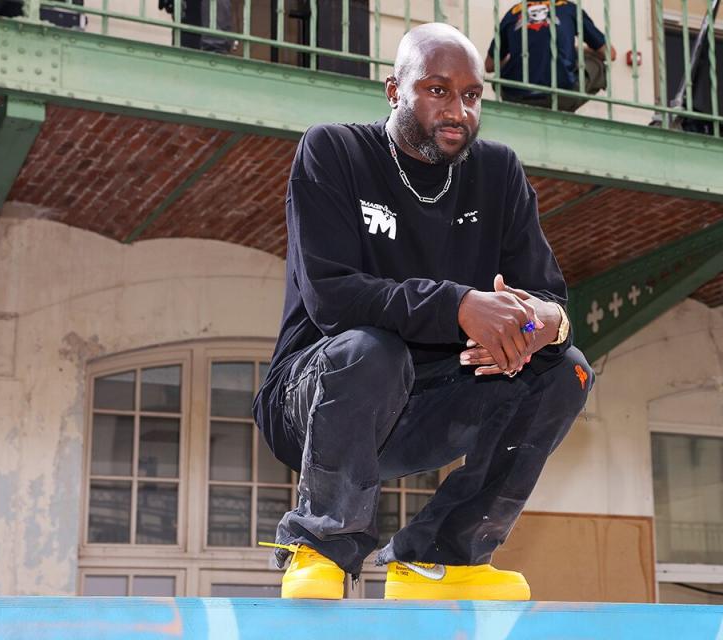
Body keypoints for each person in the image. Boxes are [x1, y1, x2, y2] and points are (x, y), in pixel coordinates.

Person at [253, 22, 593, 601]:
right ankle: (320, 544)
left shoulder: (498, 173)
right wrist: (460, 306)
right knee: (371, 350)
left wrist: (540, 328)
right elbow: (331, 296)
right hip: (318, 395)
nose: (457, 109)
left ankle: (442, 558)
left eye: (471, 95)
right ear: (394, 91)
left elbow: (551, 299)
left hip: (430, 402)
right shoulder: (334, 151)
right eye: (437, 90)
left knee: (568, 370)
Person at [485, 0, 615, 112]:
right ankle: (566, 107)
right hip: (560, 95)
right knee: (597, 64)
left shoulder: (513, 13)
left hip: (515, 95)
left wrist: (513, 57)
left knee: (503, 69)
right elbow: (609, 54)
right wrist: (578, 51)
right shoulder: (569, 8)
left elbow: (490, 65)